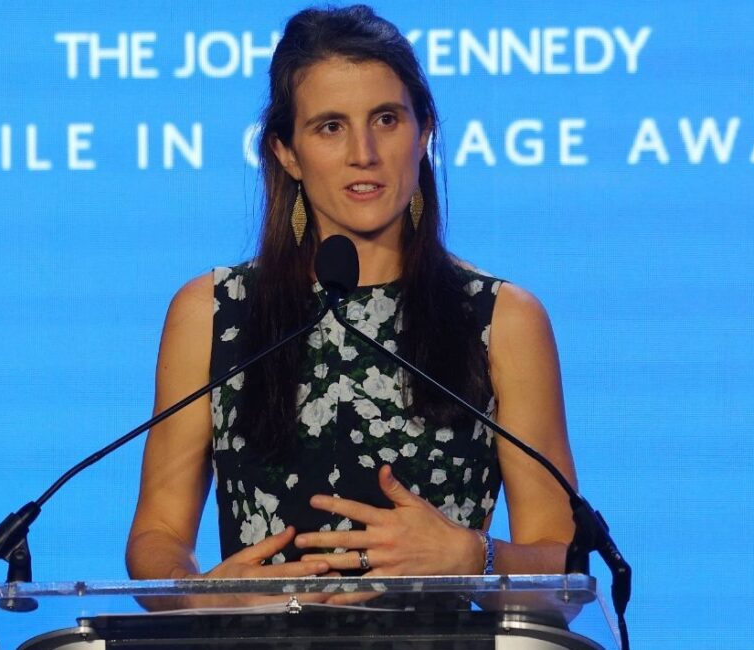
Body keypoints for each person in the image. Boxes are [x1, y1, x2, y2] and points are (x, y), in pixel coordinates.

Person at [126, 5, 576, 596]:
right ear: (286, 151)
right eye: (330, 127)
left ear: (424, 133)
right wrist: (200, 597)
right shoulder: (212, 310)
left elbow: (566, 557)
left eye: (386, 119)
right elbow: (157, 532)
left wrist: (476, 554)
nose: (364, 152)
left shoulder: (501, 318)